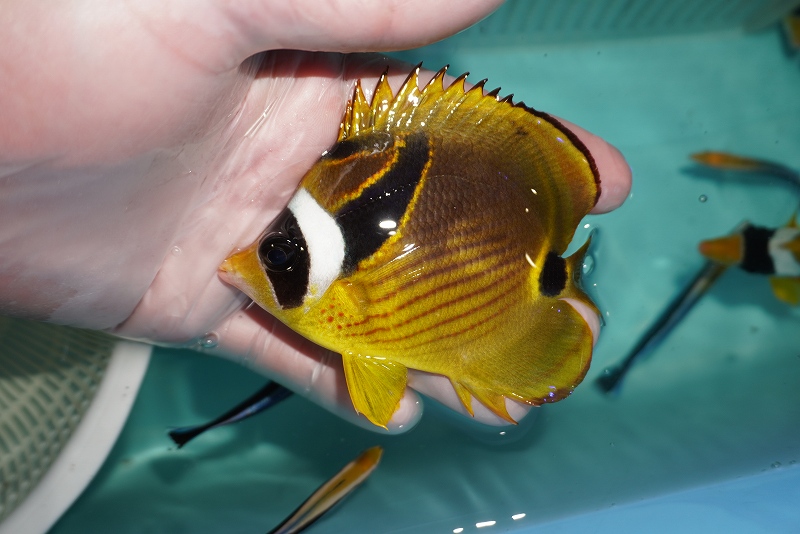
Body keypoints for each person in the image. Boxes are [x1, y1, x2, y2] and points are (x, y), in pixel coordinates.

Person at [0, 0, 632, 432]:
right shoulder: (326, 252)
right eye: (274, 251)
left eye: (276, 254)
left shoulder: (335, 282)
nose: (242, 260)